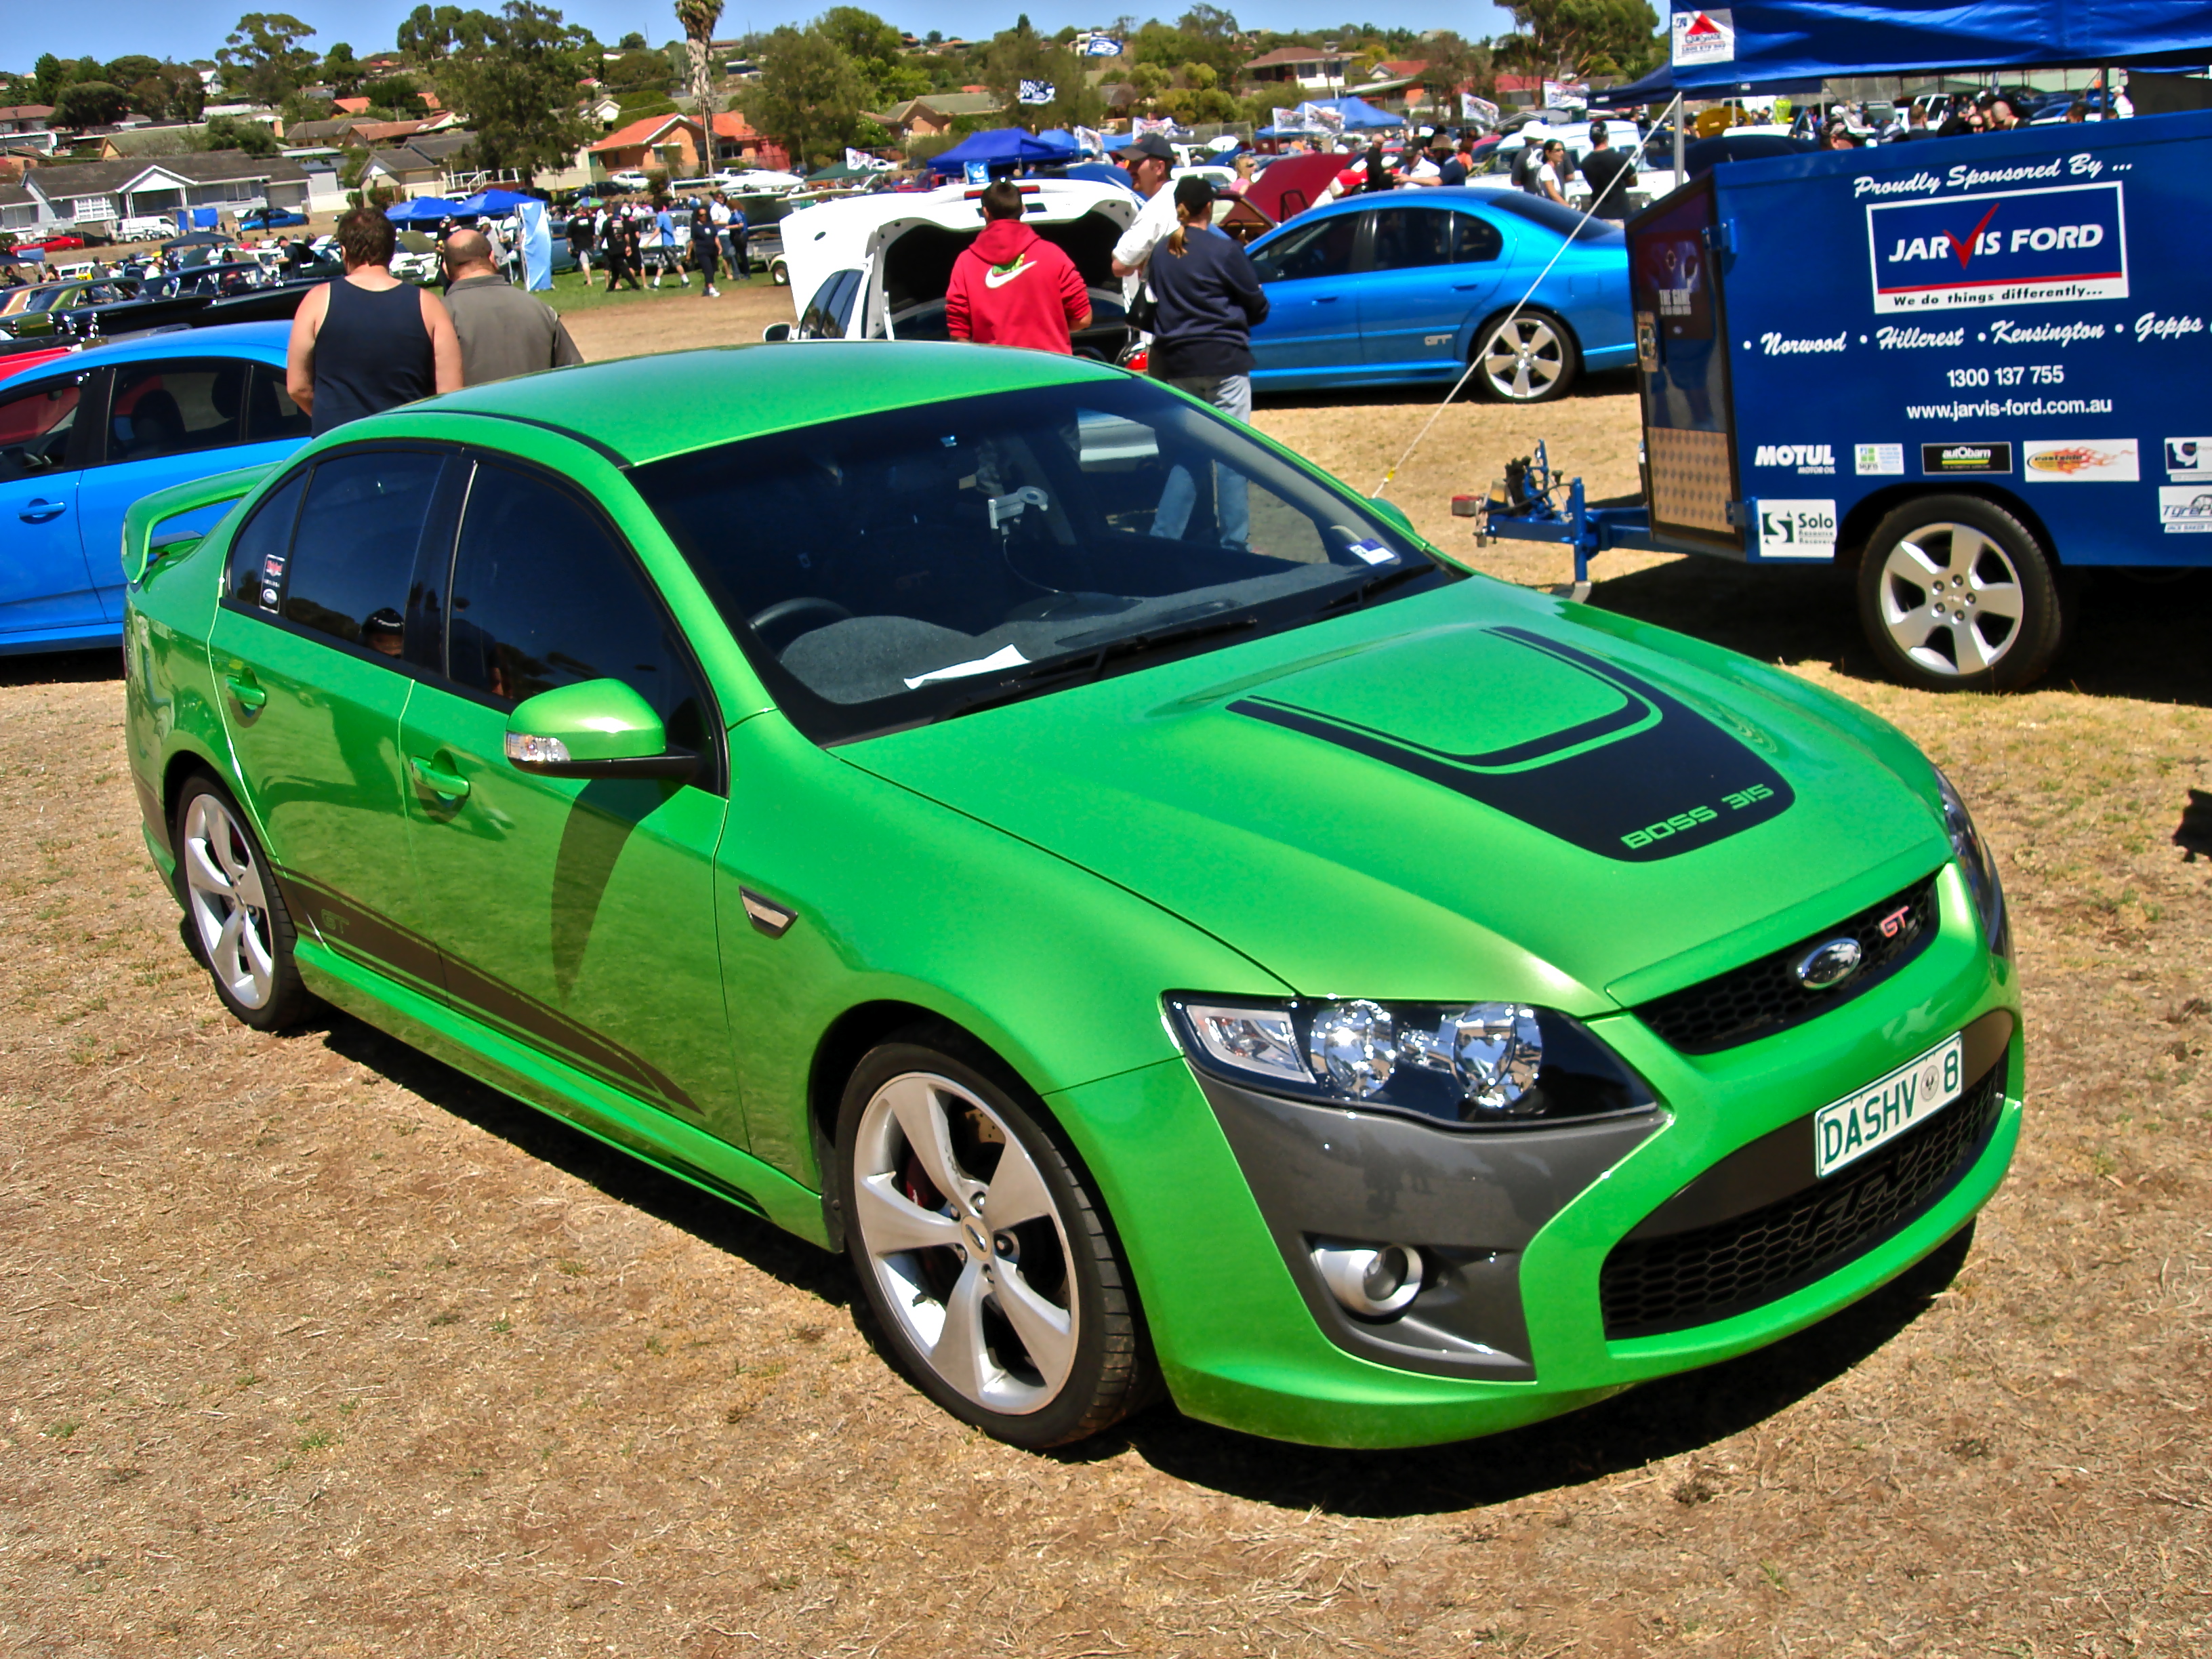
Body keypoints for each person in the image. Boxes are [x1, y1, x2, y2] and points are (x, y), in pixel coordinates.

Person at [1141, 176, 1269, 547]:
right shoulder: (1224, 250)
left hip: (1177, 363)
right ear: (1209, 207)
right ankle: (1234, 544)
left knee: (1191, 453)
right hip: (1223, 359)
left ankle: (1164, 538)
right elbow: (1257, 305)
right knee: (1232, 456)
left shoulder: (1162, 254)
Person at [285, 204, 460, 436]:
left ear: (344, 252)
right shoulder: (428, 305)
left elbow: (297, 386)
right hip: (408, 444)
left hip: (340, 447)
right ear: (392, 252)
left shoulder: (317, 301)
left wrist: (329, 416)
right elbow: (451, 394)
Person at [945, 179, 1090, 352]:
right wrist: (1049, 332)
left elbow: (959, 333)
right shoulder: (1053, 254)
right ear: (1022, 208)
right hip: (1053, 370)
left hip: (998, 374)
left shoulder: (965, 263)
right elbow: (1083, 319)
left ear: (985, 212)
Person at [438, 228, 582, 386]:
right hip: (534, 407)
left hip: (469, 410)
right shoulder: (539, 308)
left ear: (446, 269)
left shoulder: (438, 317)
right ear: (492, 258)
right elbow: (574, 375)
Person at [1109, 132, 1180, 303]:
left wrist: (1140, 262)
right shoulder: (1180, 194)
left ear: (1159, 168)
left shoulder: (1157, 207)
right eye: (1128, 162)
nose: (1129, 169)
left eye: (1136, 163)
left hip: (1164, 312)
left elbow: (1120, 265)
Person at [1578, 120, 1632, 218]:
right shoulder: (1619, 158)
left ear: (1591, 138)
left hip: (1598, 216)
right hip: (1620, 214)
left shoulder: (1585, 163)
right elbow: (1633, 182)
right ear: (1606, 136)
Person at [689, 195, 721, 298]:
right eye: (701, 215)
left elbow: (715, 237)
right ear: (698, 216)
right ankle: (711, 288)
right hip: (702, 251)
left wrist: (720, 247)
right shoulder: (695, 227)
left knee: (712, 270)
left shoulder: (710, 225)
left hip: (712, 250)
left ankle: (707, 288)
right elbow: (692, 241)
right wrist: (689, 253)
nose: (704, 216)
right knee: (707, 269)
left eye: (705, 215)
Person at [1534, 139, 1570, 205]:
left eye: (1563, 150)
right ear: (1548, 153)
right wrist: (1569, 208)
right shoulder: (1546, 169)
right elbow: (1553, 195)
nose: (1562, 153)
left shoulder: (1553, 170)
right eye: (1558, 150)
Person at [567, 206, 596, 279]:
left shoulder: (572, 222)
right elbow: (594, 234)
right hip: (590, 243)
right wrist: (594, 243)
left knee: (585, 263)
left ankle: (589, 280)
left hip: (579, 245)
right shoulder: (589, 220)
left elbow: (569, 237)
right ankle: (589, 278)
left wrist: (569, 246)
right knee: (590, 262)